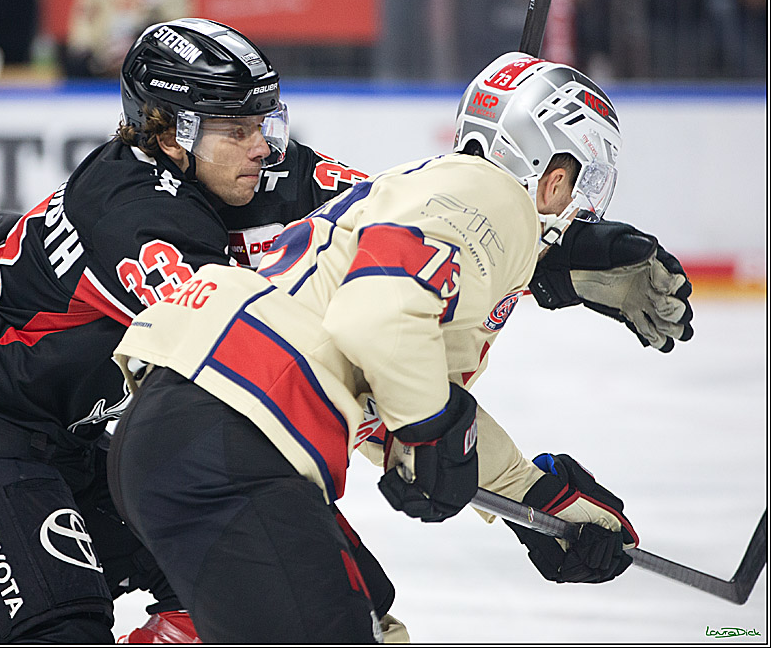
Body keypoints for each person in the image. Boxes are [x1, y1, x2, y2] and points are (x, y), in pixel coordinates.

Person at [0, 17, 692, 643]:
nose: (263, 144)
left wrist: (544, 251)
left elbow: (398, 217)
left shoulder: (258, 164)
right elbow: (287, 360)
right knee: (61, 631)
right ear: (166, 133)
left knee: (343, 599)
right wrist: (446, 440)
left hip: (108, 433)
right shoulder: (130, 212)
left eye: (265, 118)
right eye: (236, 127)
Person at [107, 53, 648, 642]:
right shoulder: (495, 197)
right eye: (587, 182)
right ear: (554, 170)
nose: (584, 208)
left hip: (188, 429)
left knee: (368, 615)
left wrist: (537, 497)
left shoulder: (422, 192)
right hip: (230, 441)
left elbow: (383, 377)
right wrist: (430, 427)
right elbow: (379, 317)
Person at [63, 0, 190, 78]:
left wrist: (142, 46)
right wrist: (83, 46)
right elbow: (85, 12)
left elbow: (176, 25)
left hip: (144, 56)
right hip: (99, 55)